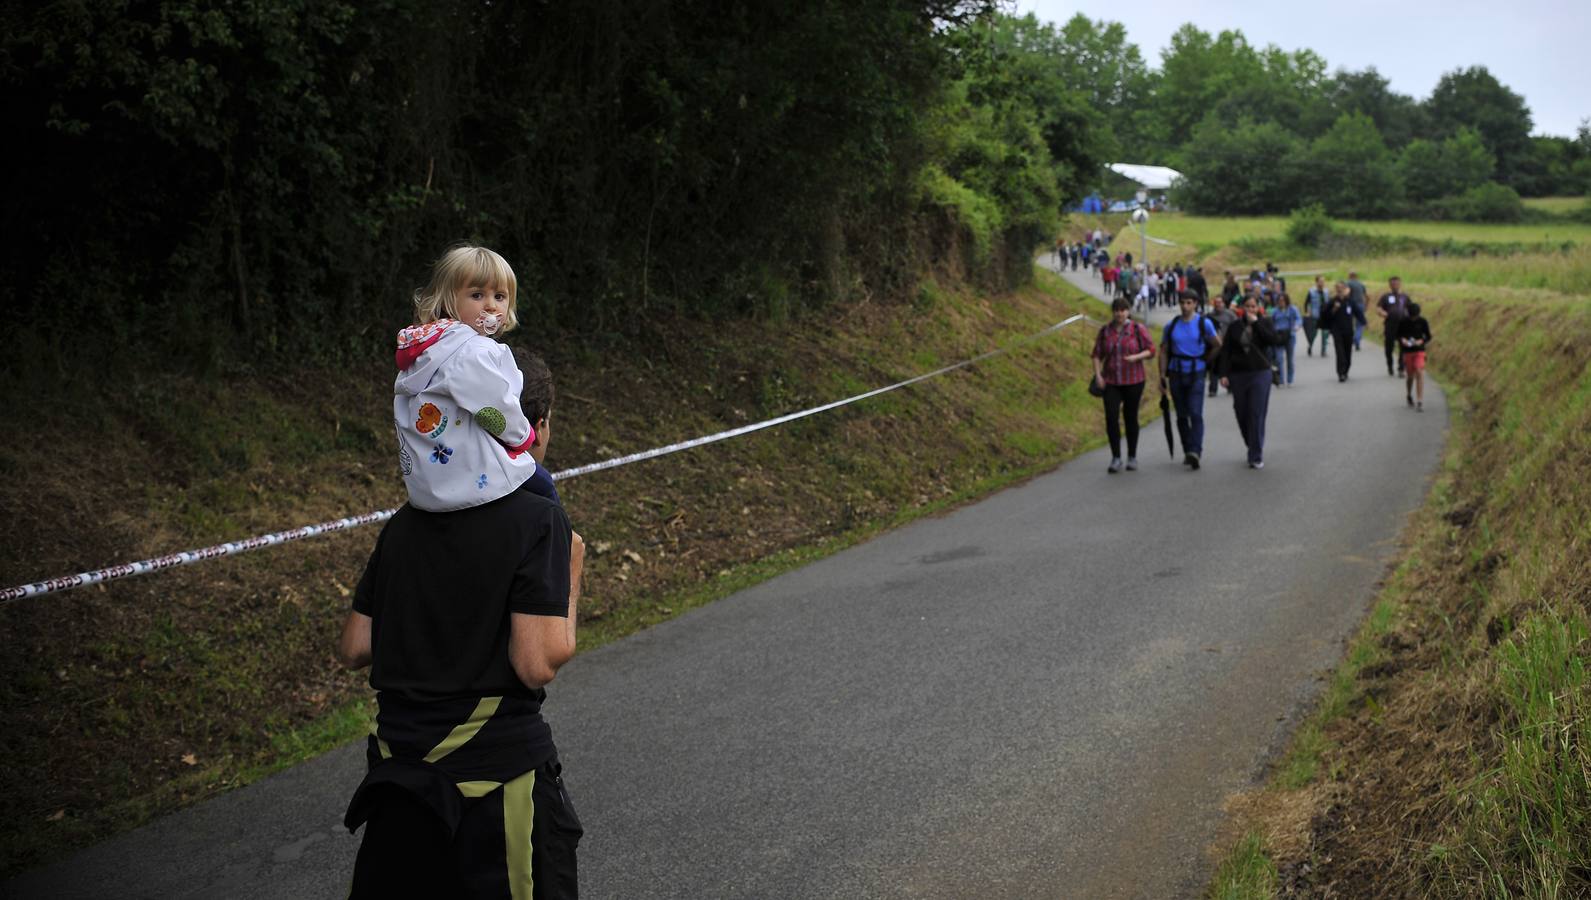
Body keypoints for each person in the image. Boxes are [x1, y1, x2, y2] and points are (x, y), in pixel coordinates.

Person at [339, 389, 586, 898]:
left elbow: (356, 645)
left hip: (401, 778)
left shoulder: (404, 525)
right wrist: (573, 573)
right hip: (496, 781)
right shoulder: (537, 519)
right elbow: (536, 662)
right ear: (525, 429)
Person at [394, 246, 541, 512]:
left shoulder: (429, 350)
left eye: (500, 296)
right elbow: (493, 408)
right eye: (477, 295)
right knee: (544, 490)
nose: (491, 305)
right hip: (482, 485)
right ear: (447, 300)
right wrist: (523, 436)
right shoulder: (473, 351)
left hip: (432, 489)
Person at [1215, 294, 1286, 469]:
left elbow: (1273, 340)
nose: (1250, 310)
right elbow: (1226, 352)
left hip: (1260, 373)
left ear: (1259, 308)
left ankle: (1255, 454)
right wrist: (1223, 373)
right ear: (1241, 309)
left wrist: (1255, 323)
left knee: (1256, 412)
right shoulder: (1234, 327)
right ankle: (1252, 442)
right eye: (1247, 306)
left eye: (1253, 306)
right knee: (1241, 412)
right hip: (1238, 375)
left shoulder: (1265, 323)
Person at [1091, 297, 1156, 473]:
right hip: (1111, 381)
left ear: (1128, 311)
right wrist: (1098, 376)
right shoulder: (1105, 331)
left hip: (1134, 380)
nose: (1119, 313)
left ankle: (1132, 456)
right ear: (1112, 312)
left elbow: (1151, 350)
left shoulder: (1137, 329)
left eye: (1123, 310)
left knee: (1130, 416)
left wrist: (1136, 357)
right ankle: (1116, 457)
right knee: (1111, 417)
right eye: (1116, 310)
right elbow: (1096, 354)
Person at [1159, 292, 1221, 469]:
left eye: (1189, 303)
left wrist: (1206, 360)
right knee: (1181, 415)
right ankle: (1187, 449)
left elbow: (1217, 344)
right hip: (1176, 372)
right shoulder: (1171, 326)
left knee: (1195, 412)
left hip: (1196, 372)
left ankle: (1195, 450)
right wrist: (1162, 375)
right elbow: (1163, 351)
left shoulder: (1204, 323)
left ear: (1195, 304)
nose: (1185, 306)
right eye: (1182, 303)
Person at [1320, 281, 1367, 382]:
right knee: (1340, 352)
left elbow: (1358, 313)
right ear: (1336, 289)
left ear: (1345, 289)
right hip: (1337, 331)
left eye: (1342, 287)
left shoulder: (1350, 301)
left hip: (1348, 330)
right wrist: (1334, 309)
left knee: (1347, 353)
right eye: (1338, 287)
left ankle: (1345, 371)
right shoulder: (1332, 301)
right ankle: (1341, 373)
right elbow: (1325, 315)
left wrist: (1364, 322)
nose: (1340, 289)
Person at [1398, 301, 1433, 411]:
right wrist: (1402, 340)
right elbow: (1398, 335)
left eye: (1415, 316)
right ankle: (1409, 394)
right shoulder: (1403, 321)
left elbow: (1428, 336)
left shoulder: (1423, 321)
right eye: (1412, 316)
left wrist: (1421, 341)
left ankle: (1419, 400)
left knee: (1419, 371)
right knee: (1410, 376)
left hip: (1419, 351)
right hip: (1407, 351)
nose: (1413, 318)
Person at [1377, 275, 1412, 377]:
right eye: (1393, 284)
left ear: (1400, 284)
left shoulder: (1405, 297)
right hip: (1390, 325)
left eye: (1397, 284)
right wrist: (1382, 313)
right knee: (1389, 347)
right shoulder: (1386, 297)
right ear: (1390, 285)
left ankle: (1401, 368)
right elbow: (1379, 308)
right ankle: (1390, 364)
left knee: (1403, 346)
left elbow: (1411, 309)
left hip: (1403, 325)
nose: (1395, 286)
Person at [1206, 295, 1239, 397]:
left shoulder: (1230, 315)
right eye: (1216, 302)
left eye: (1220, 302)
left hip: (1227, 345)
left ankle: (1230, 387)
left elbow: (1237, 327)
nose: (1218, 304)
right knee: (1213, 368)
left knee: (1229, 366)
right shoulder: (1209, 316)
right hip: (1215, 345)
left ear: (1223, 303)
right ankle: (1213, 389)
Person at [1270, 292, 1302, 387]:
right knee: (1279, 359)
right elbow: (1270, 322)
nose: (1281, 302)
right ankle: (1280, 380)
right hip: (1278, 336)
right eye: (1279, 301)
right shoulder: (1275, 311)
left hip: (1290, 335)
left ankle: (1290, 379)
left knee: (1290, 359)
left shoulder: (1292, 309)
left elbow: (1298, 319)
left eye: (1283, 300)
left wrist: (1297, 326)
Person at [1303, 276, 1329, 357]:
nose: (1322, 283)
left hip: (1325, 315)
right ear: (1317, 282)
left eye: (1323, 281)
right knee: (1314, 334)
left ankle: (1323, 350)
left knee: (1325, 333)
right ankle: (1310, 346)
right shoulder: (1311, 291)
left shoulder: (1326, 291)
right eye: (1320, 281)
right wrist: (1307, 312)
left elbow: (1329, 302)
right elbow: (1306, 303)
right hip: (1315, 315)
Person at [1346, 271, 1368, 350]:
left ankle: (1354, 339)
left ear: (1350, 276)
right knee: (1360, 324)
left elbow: (1346, 294)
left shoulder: (1348, 283)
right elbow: (1367, 296)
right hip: (1360, 305)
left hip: (1350, 305)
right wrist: (1366, 306)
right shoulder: (1361, 284)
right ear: (1356, 276)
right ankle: (1357, 340)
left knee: (1349, 323)